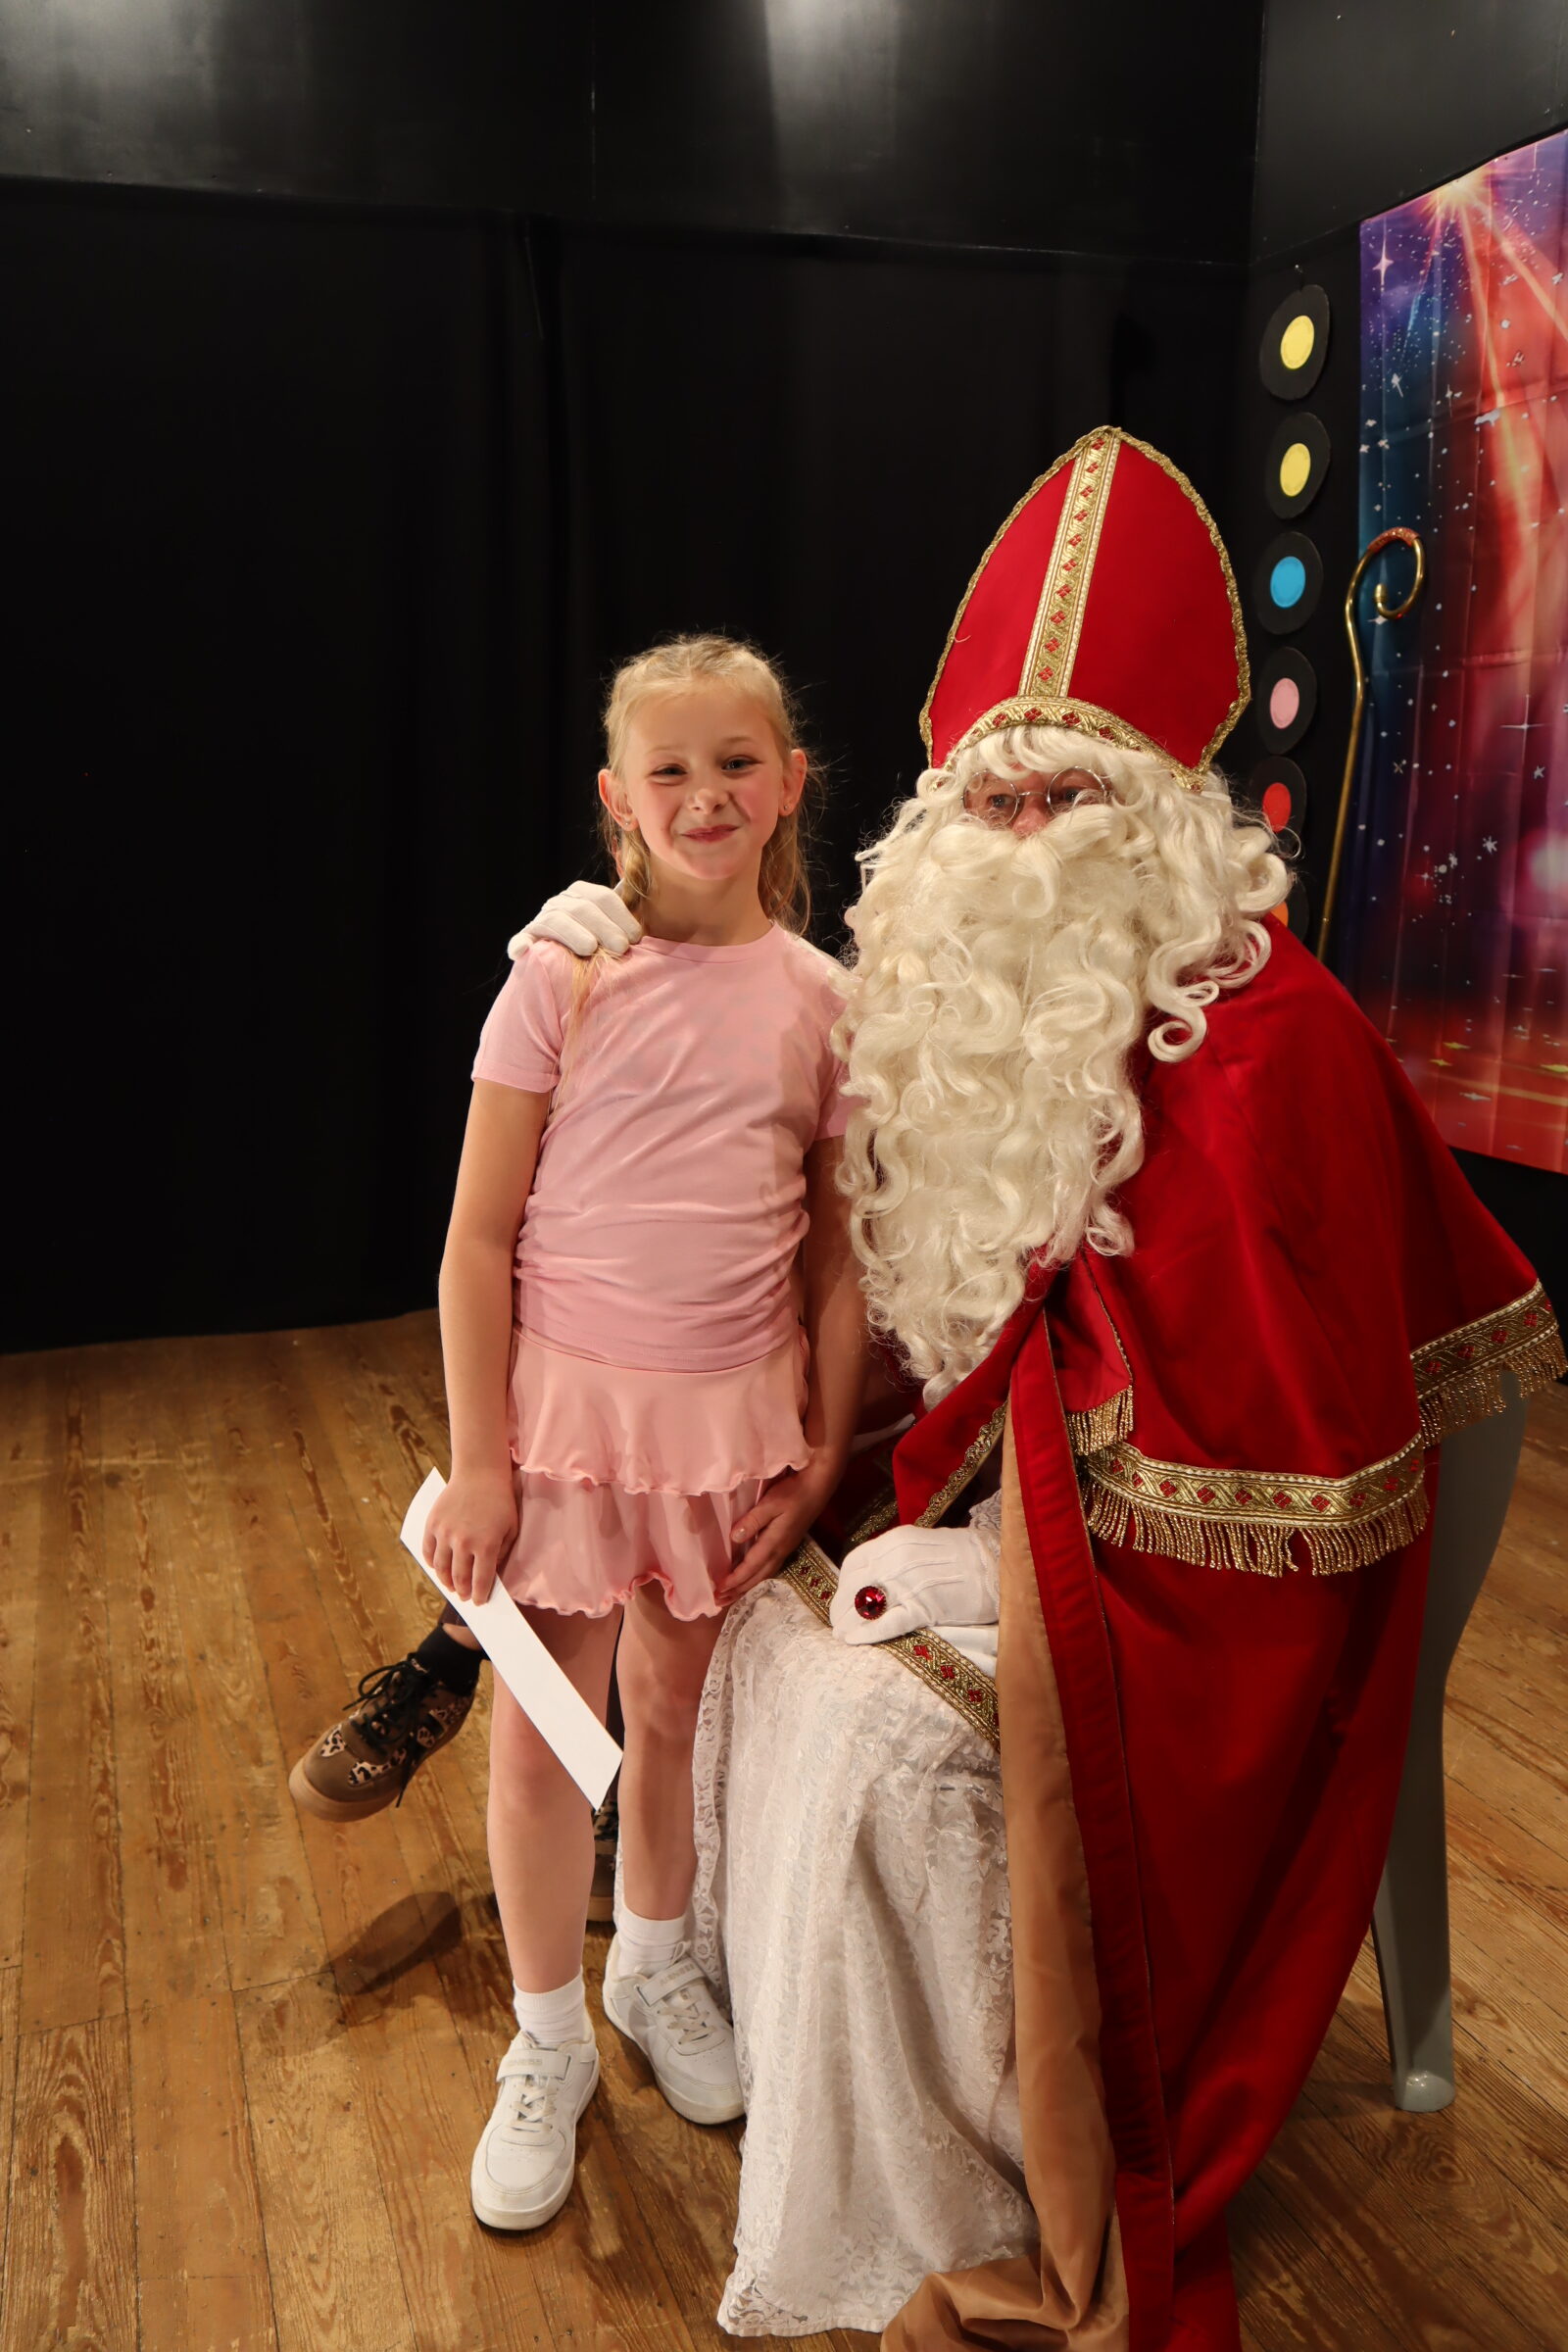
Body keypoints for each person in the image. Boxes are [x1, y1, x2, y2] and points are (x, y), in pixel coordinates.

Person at [517, 429, 1564, 2348]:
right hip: (1017, 1490)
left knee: (868, 1733)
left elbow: (1271, 1466)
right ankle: (704, 1992)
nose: (1015, 841)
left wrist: (979, 1555)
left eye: (1062, 797)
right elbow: (918, 1260)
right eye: (986, 799)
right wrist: (610, 924)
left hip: (1201, 1608)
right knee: (740, 1595)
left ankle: (961, 2170)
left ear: (1157, 814)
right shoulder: (950, 997)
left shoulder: (1264, 1040)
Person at [411, 632, 867, 2234]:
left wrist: (823, 1449)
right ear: (617, 797)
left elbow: (834, 1250)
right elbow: (477, 1239)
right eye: (669, 770)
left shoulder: (824, 1003)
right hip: (564, 1431)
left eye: (737, 763)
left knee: (672, 1714)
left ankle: (655, 1970)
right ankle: (546, 2039)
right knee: (547, 1743)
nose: (706, 794)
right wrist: (483, 1463)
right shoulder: (563, 976)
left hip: (728, 1428)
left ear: (790, 782)